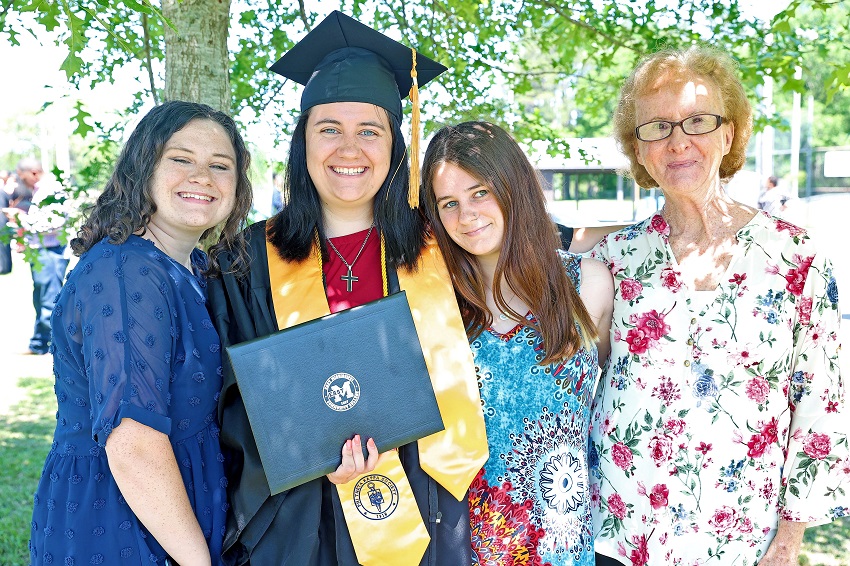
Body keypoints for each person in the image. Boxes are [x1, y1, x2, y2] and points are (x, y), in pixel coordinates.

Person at [207, 11, 487, 565]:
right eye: (328, 128)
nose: (349, 148)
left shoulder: (442, 247)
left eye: (370, 130)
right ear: (302, 142)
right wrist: (305, 444)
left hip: (426, 503)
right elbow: (227, 401)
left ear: (395, 145)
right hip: (298, 516)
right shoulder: (244, 262)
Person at [588, 46, 847, 566]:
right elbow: (569, 376)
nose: (678, 140)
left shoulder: (797, 256)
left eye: (697, 121)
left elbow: (821, 403)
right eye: (656, 127)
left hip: (743, 540)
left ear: (727, 134)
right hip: (622, 536)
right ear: (638, 150)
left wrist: (790, 538)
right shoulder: (612, 261)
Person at [28, 100, 253, 565]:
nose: (202, 177)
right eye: (180, 159)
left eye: (220, 165)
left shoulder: (186, 266)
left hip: (171, 506)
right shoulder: (128, 271)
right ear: (143, 169)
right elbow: (133, 446)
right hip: (119, 519)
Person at [420, 121, 614, 565]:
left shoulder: (588, 284)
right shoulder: (435, 302)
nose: (466, 216)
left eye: (480, 192)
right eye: (449, 203)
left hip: (563, 540)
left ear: (514, 186)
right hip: (462, 542)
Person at [2, 157, 70, 353]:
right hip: (42, 251)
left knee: (49, 299)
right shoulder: (41, 190)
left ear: (33, 173)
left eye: (23, 178)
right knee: (41, 297)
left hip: (50, 251)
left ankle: (47, 346)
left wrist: (23, 220)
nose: (21, 182)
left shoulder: (50, 190)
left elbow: (55, 223)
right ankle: (41, 343)